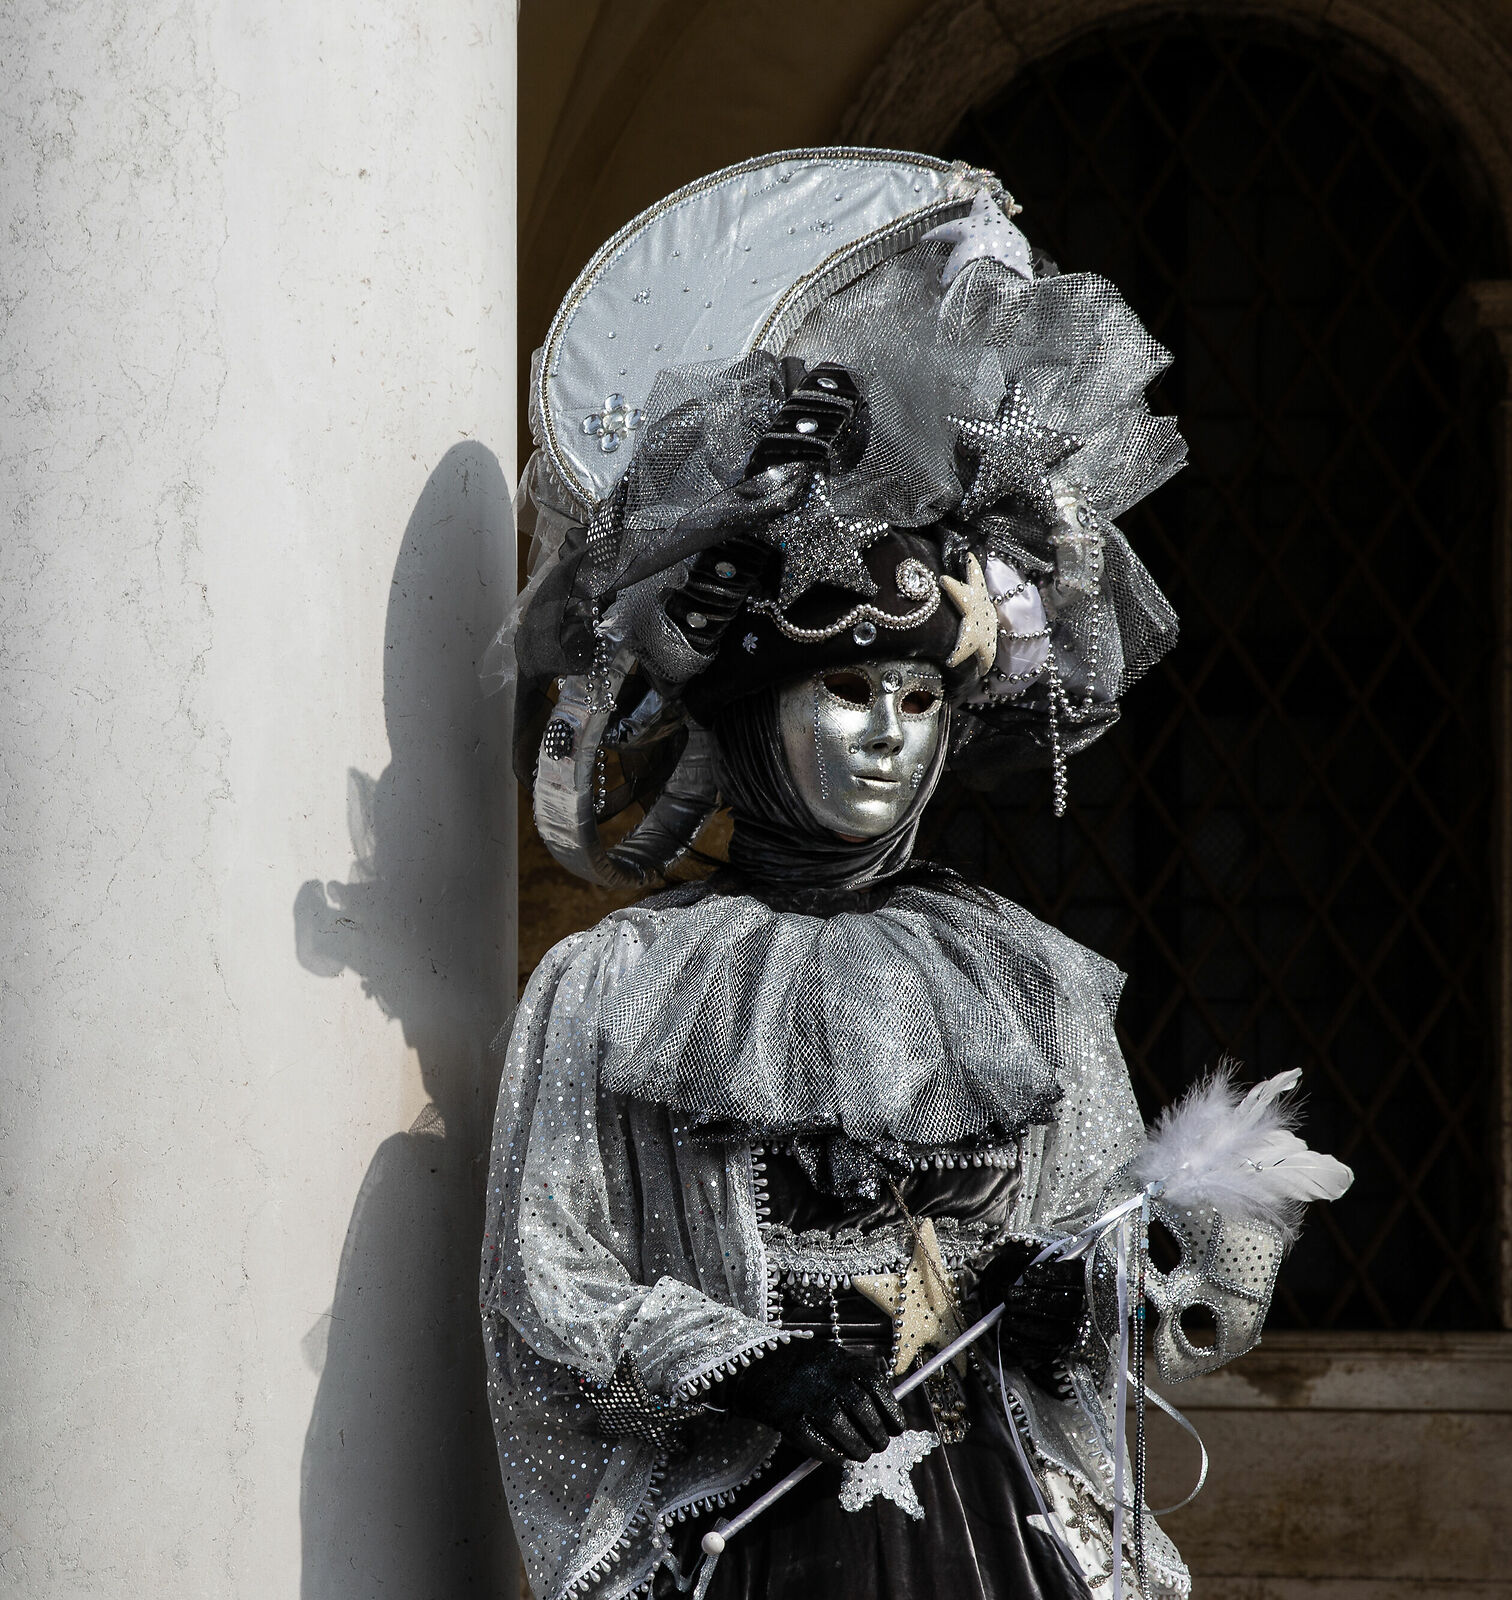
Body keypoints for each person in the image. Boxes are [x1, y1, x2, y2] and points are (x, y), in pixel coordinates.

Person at [484, 149, 1331, 1600]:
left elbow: (1105, 1263)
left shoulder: (1022, 978)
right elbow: (545, 1281)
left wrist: (1079, 1295)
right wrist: (752, 1365)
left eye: (922, 700)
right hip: (757, 1543)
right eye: (846, 693)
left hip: (995, 1532)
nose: (889, 735)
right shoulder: (612, 984)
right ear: (752, 716)